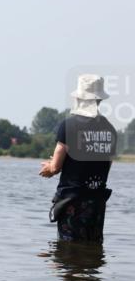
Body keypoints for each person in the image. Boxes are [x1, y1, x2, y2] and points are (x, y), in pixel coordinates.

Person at [40, 74, 117, 242]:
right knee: (93, 248)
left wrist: (49, 167)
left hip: (73, 202)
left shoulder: (69, 125)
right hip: (97, 202)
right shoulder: (110, 129)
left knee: (69, 252)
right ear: (99, 100)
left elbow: (55, 168)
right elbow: (106, 165)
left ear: (79, 98)